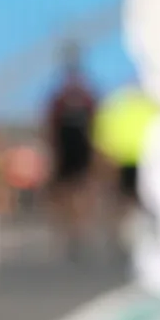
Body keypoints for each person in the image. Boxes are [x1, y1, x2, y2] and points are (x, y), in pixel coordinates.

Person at [40, 45, 106, 259]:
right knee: (70, 190)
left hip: (76, 149)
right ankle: (73, 229)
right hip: (69, 149)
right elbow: (51, 127)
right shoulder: (68, 98)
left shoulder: (79, 98)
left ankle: (77, 229)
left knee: (76, 189)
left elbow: (97, 126)